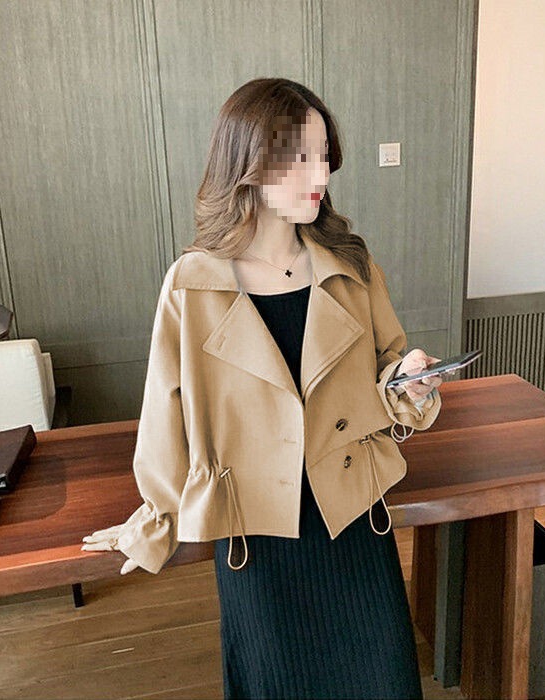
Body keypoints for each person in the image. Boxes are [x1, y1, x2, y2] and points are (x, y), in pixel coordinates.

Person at [82, 77, 442, 699]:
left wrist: (410, 383)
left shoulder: (351, 265)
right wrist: (157, 518)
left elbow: (385, 370)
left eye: (323, 155)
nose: (319, 174)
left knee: (382, 681)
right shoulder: (193, 284)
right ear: (247, 163)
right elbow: (166, 410)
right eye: (299, 157)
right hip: (256, 532)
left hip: (354, 518)